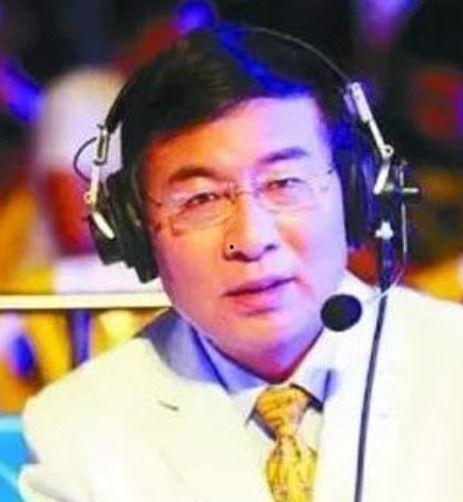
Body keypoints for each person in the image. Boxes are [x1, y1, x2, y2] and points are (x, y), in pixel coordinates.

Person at [18, 23, 463, 502]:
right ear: (135, 232)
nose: (251, 240)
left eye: (284, 183)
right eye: (201, 199)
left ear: (356, 194)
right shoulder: (76, 429)